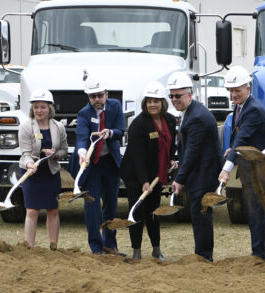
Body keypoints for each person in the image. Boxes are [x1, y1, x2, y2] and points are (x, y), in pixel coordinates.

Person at [217, 65, 265, 261]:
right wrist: (232, 149)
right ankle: (260, 251)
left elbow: (242, 141)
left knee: (256, 209)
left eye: (237, 90)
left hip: (258, 168)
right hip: (249, 165)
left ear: (248, 88)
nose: (234, 94)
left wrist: (226, 170)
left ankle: (259, 253)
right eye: (231, 90)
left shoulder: (254, 110)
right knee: (252, 208)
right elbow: (241, 137)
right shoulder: (241, 106)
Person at [70, 71, 126, 255]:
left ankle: (110, 244)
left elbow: (121, 130)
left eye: (100, 95)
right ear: (88, 97)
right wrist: (82, 153)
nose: (97, 99)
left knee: (111, 204)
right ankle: (96, 247)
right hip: (91, 165)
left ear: (106, 94)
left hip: (110, 163)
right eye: (93, 96)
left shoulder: (115, 106)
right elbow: (81, 137)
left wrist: (110, 133)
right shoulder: (83, 114)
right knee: (92, 206)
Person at [168, 71, 222, 261]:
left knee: (200, 215)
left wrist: (179, 179)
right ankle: (203, 254)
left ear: (189, 95)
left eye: (178, 95)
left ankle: (204, 256)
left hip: (203, 175)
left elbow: (192, 152)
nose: (174, 99)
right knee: (200, 214)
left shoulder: (196, 117)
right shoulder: (191, 112)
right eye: (171, 96)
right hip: (201, 173)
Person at [120, 80, 177, 261]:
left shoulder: (168, 119)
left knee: (153, 212)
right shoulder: (138, 124)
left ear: (162, 102)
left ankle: (156, 249)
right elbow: (137, 156)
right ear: (145, 103)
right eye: (149, 101)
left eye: (156, 101)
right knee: (136, 212)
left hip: (156, 174)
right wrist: (144, 181)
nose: (152, 104)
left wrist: (171, 160)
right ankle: (136, 250)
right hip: (136, 175)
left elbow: (170, 144)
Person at [19, 88, 68, 249]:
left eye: (43, 107)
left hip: (51, 172)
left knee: (53, 210)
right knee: (32, 211)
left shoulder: (58, 127)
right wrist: (29, 164)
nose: (39, 110)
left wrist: (55, 154)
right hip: (32, 173)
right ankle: (29, 248)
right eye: (36, 107)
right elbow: (25, 153)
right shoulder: (26, 127)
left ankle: (53, 246)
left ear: (50, 109)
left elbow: (64, 151)